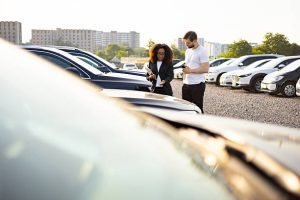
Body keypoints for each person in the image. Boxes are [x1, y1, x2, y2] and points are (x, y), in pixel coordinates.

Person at [182, 31, 209, 113]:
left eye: (188, 43)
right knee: (185, 109)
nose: (186, 45)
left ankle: (200, 125)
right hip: (186, 84)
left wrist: (190, 71)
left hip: (197, 85)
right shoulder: (188, 51)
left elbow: (205, 69)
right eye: (185, 42)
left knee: (197, 109)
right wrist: (184, 69)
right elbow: (189, 64)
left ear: (194, 40)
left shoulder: (202, 51)